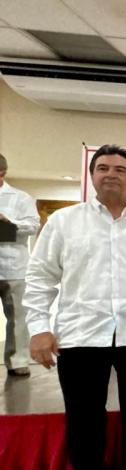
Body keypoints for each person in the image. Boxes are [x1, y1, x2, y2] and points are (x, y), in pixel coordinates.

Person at [24, 144, 126, 470]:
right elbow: (40, 278)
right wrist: (39, 329)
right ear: (92, 175)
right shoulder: (65, 222)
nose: (110, 174)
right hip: (81, 334)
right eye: (102, 168)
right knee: (83, 416)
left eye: (120, 169)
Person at [0, 152, 40, 377]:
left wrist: (9, 222)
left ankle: (17, 361)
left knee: (17, 317)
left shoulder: (21, 198)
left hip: (13, 265)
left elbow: (33, 226)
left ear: (2, 173)